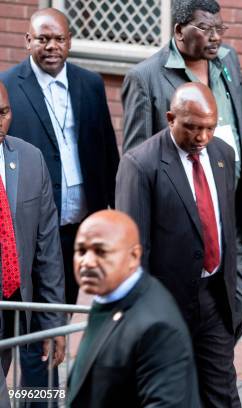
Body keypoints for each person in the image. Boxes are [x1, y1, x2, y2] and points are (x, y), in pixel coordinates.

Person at [121, 0, 242, 340]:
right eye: (206, 29)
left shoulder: (228, 61)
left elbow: (241, 132)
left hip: (229, 203)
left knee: (241, 303)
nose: (216, 38)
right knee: (188, 312)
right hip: (183, 212)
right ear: (179, 31)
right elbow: (135, 159)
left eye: (219, 29)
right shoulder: (145, 78)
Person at [116, 82, 240, 407]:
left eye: (209, 128)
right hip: (166, 303)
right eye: (192, 127)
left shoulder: (223, 155)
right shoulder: (140, 165)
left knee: (222, 395)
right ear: (170, 118)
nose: (202, 137)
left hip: (214, 298)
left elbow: (228, 223)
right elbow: (132, 253)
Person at [0, 8, 120, 306]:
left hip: (80, 225)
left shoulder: (90, 83)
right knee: (29, 312)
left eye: (59, 39)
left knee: (63, 304)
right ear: (28, 41)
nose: (51, 46)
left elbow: (107, 152)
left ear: (70, 41)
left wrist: (114, 215)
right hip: (30, 229)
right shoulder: (8, 86)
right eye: (43, 39)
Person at [67, 210, 200, 408]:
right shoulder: (109, 292)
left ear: (134, 256)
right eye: (81, 251)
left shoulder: (157, 328)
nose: (87, 262)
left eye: (101, 252)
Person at [0, 81, 65, 395]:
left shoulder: (29, 160)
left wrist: (54, 323)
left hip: (12, 308)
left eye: (4, 113)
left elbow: (47, 250)